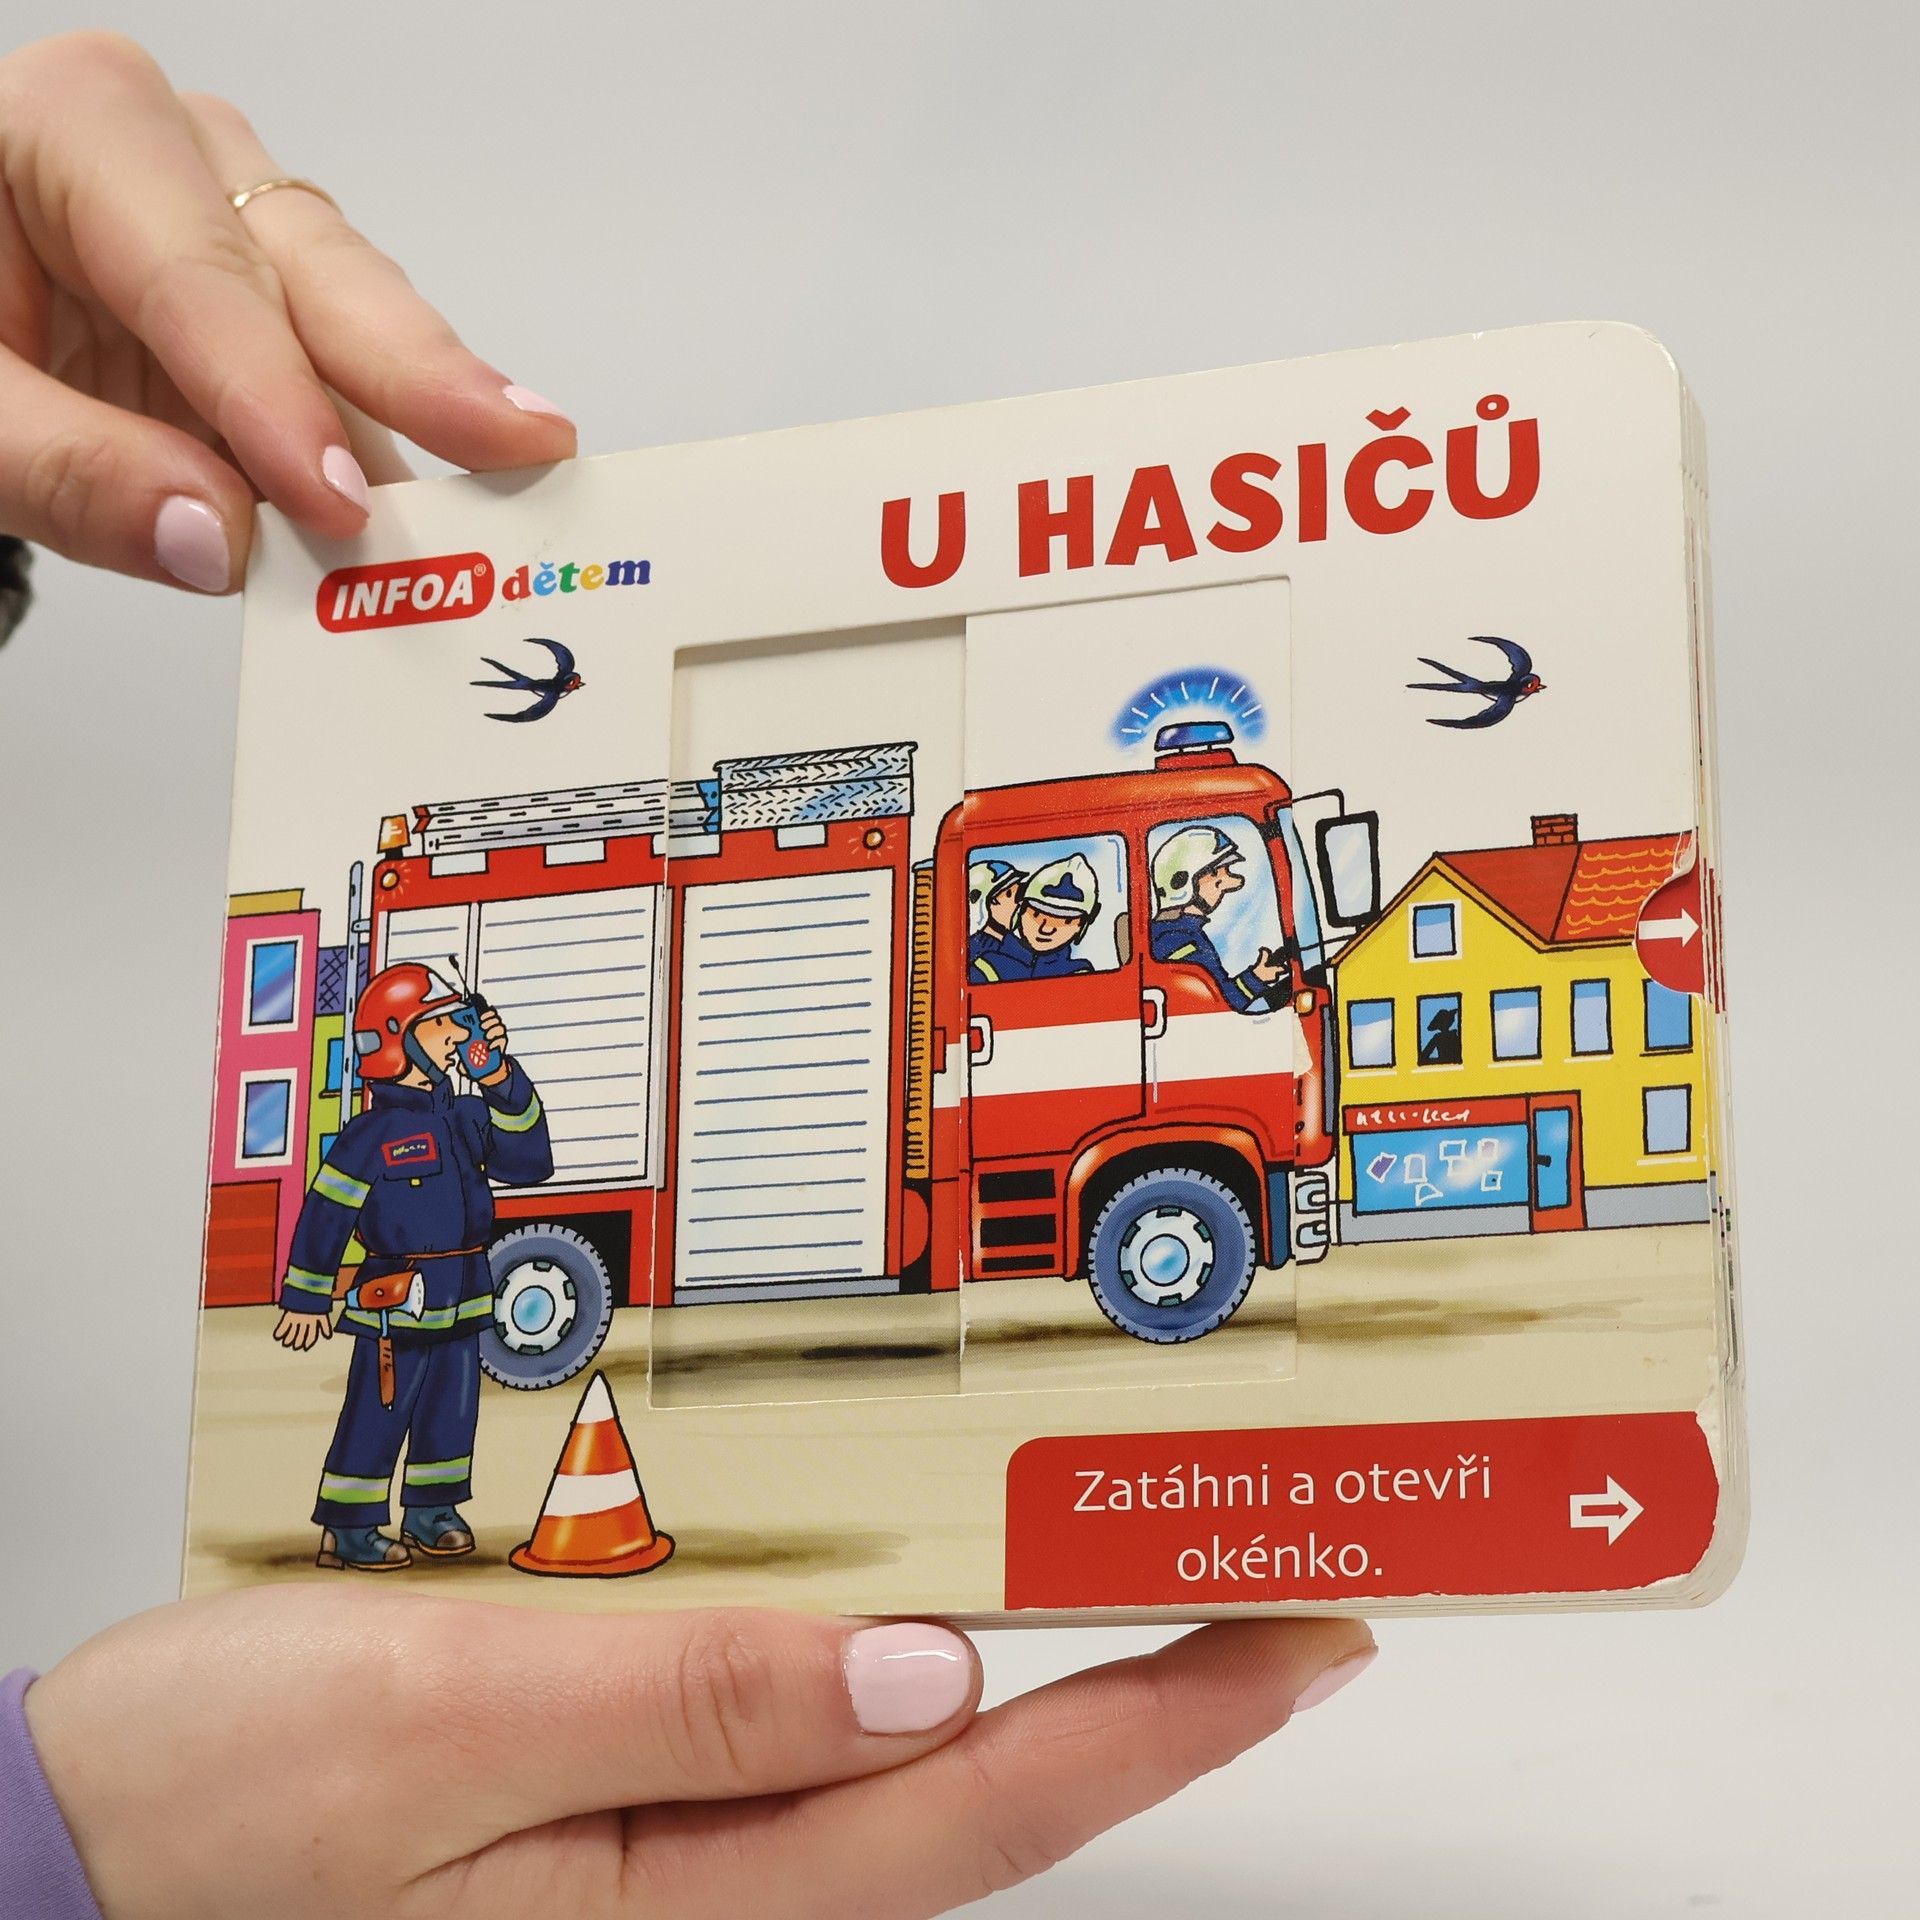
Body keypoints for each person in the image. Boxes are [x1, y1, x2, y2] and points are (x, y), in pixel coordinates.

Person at [0, 31, 1375, 1918]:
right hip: (433, 1309)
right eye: (435, 1023)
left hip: (446, 1309)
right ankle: (378, 1528)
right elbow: (376, 1195)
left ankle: (404, 1523)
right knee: (401, 1436)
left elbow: (519, 1135)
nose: (444, 1037)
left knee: (425, 1441)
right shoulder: (389, 1119)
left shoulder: (466, 1092)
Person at [274, 962, 553, 1571]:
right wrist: (306, 1297)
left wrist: (500, 1079)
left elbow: (530, 1163)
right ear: (398, 1037)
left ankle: (432, 1510)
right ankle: (348, 1526)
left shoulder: (467, 1116)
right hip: (395, 1306)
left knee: (452, 1410)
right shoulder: (369, 1133)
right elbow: (326, 1213)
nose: (459, 1034)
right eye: (442, 1023)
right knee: (379, 1411)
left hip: (463, 1293)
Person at [1149, 824, 1293, 1010]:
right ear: (1186, 883)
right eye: (1218, 879)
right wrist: (1256, 978)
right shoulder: (1178, 942)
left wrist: (1259, 975)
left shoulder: (1181, 934)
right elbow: (1221, 1003)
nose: (1224, 888)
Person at [969, 852, 1100, 983]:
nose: (1046, 929)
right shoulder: (989, 966)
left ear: (1080, 926)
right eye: (1036, 915)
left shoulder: (1078, 973)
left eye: (1066, 921)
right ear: (1021, 911)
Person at [965, 858, 1025, 974]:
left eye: (1019, 893)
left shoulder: (1017, 945)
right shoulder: (974, 951)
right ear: (990, 902)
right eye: (1010, 894)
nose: (1018, 902)